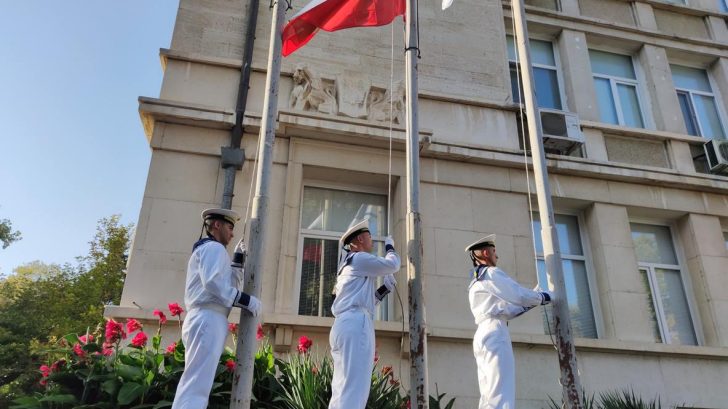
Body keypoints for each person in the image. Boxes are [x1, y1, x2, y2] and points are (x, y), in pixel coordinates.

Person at [171, 208, 262, 409]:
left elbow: (223, 285)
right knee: (197, 384)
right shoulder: (214, 248)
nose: (232, 234)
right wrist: (247, 300)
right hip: (208, 317)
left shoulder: (211, 250)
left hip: (208, 317)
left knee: (197, 381)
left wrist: (237, 262)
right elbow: (213, 283)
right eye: (230, 227)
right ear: (217, 225)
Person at [465, 234, 552, 409]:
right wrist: (544, 297)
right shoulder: (491, 272)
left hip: (484, 332)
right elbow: (518, 295)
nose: (497, 256)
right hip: (495, 332)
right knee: (501, 391)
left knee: (489, 394)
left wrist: (533, 300)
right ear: (485, 253)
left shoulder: (476, 280)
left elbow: (507, 309)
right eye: (494, 251)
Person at [328, 220, 400, 409]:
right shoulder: (359, 258)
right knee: (355, 388)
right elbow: (393, 265)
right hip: (355, 324)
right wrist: (390, 247)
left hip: (344, 324)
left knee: (341, 389)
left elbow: (363, 300)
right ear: (360, 239)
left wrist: (384, 289)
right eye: (369, 236)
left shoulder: (348, 264)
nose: (372, 241)